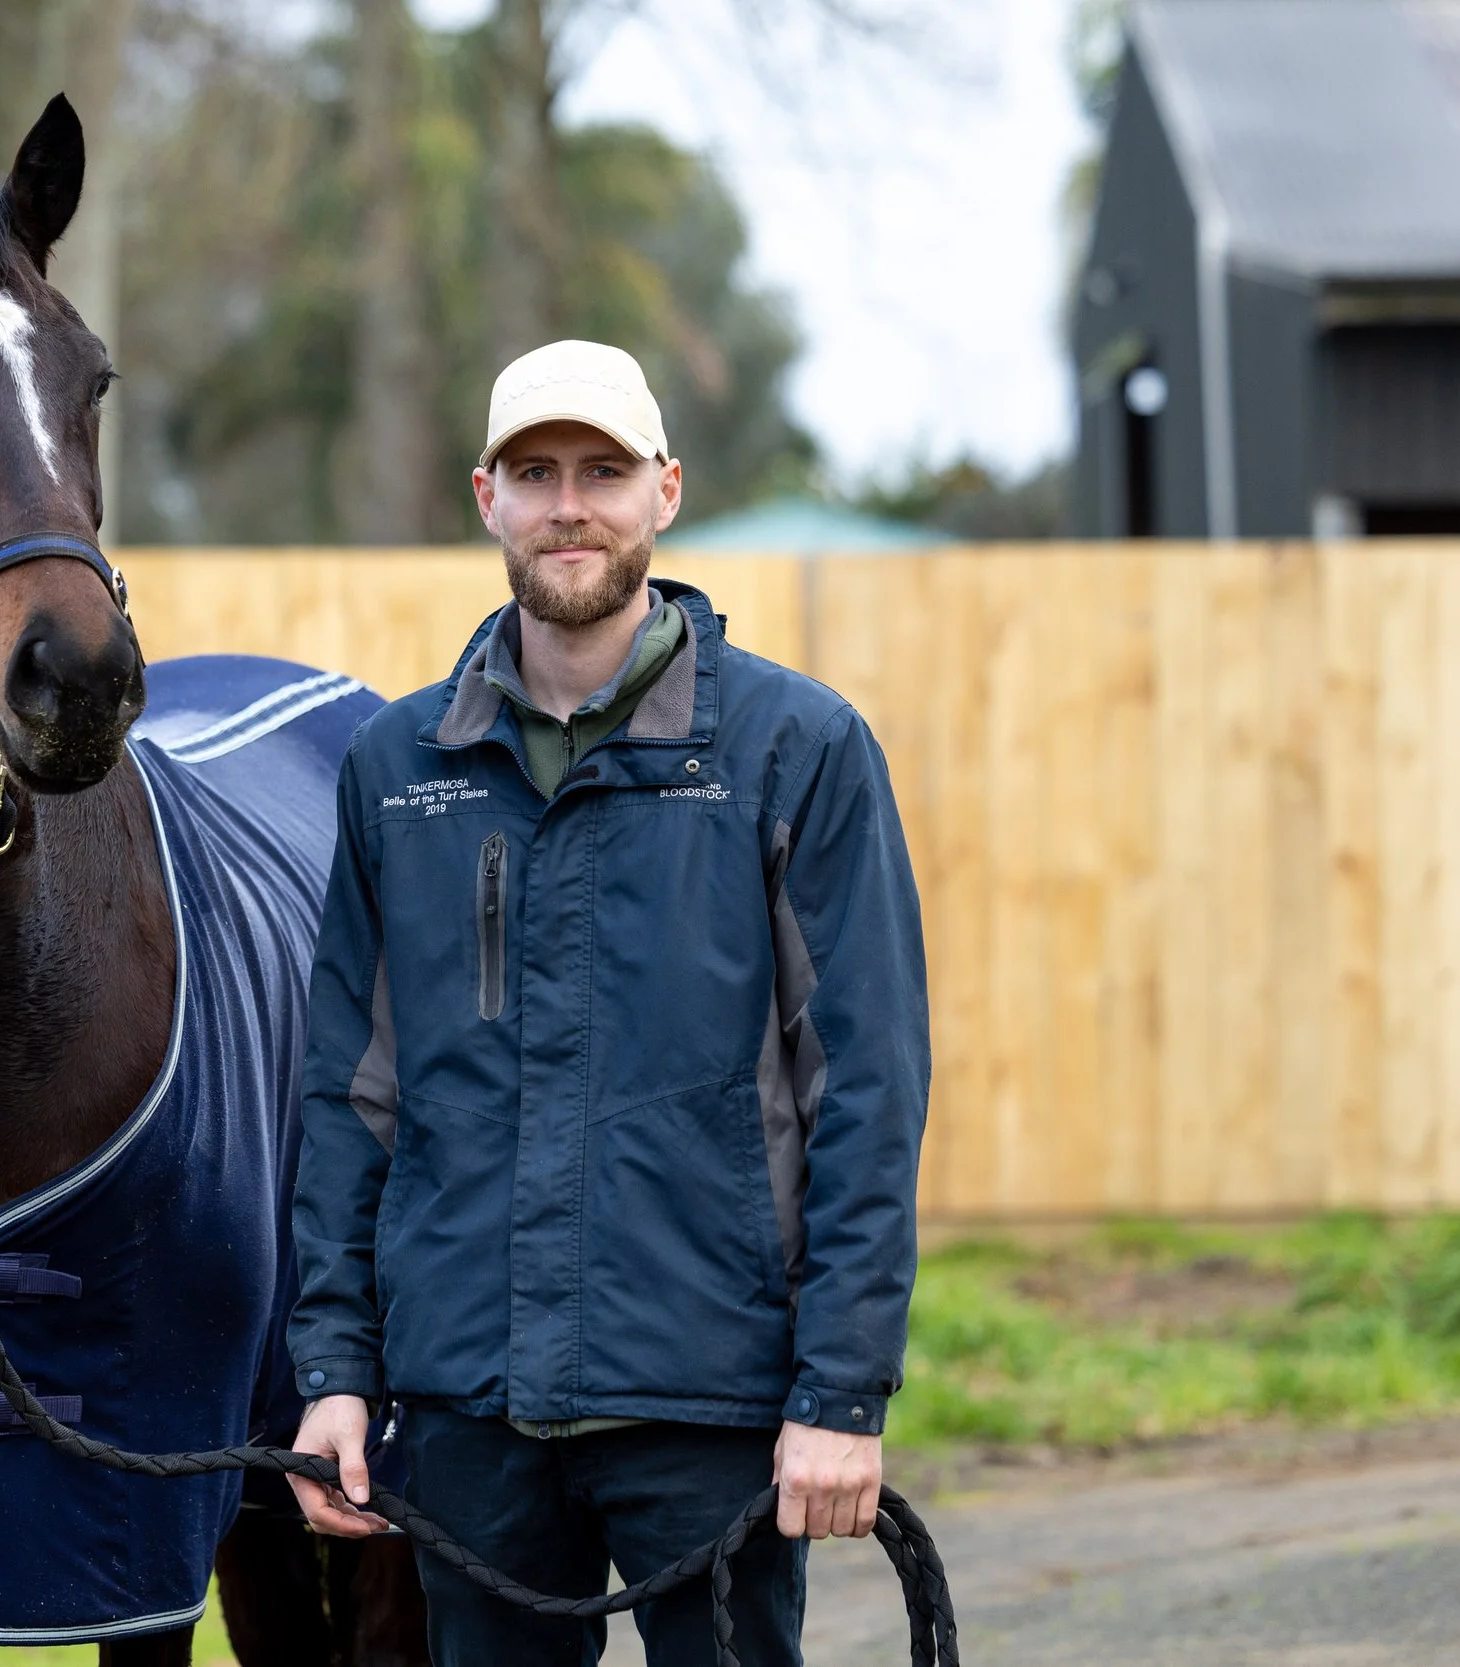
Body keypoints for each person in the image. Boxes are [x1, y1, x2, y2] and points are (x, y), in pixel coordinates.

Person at [282, 340, 931, 1665]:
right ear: (487, 499)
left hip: (710, 1398)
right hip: (467, 1408)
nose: (568, 504)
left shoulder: (793, 751)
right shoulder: (399, 770)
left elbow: (863, 1084)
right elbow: (349, 1095)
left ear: (667, 492)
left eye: (602, 471)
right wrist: (335, 1371)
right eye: (535, 473)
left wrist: (841, 1392)